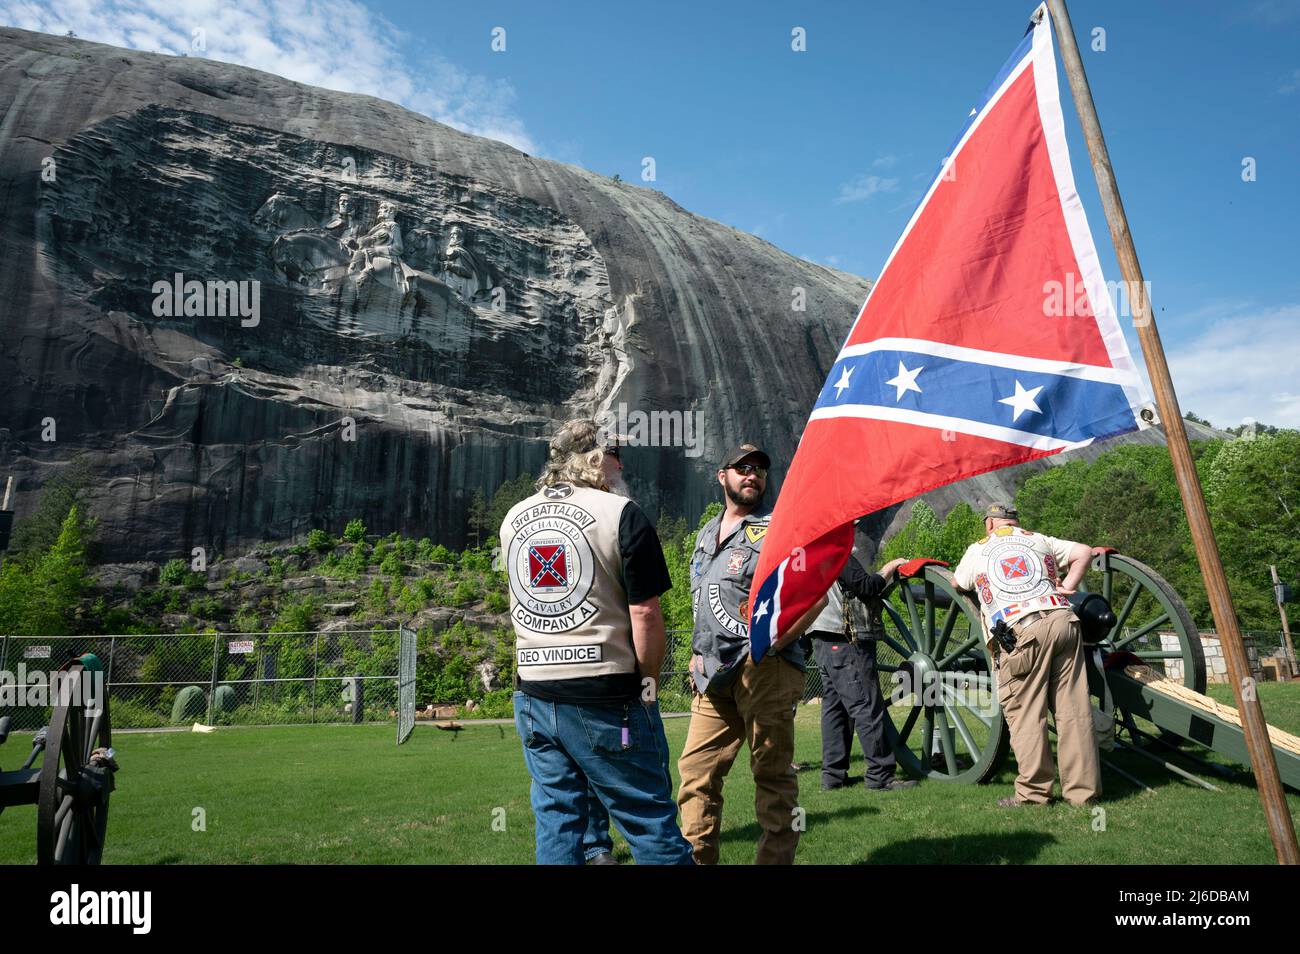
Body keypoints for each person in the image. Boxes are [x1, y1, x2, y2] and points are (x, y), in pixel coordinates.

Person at [502, 419, 694, 864]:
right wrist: (646, 687)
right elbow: (645, 613)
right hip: (608, 695)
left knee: (558, 821)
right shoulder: (621, 513)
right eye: (614, 454)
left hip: (533, 693)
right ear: (594, 459)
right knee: (647, 818)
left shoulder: (514, 517)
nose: (620, 464)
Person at [676, 442, 825, 865]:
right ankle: (697, 860)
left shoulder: (781, 527)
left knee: (772, 775)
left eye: (759, 468)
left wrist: (777, 641)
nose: (752, 475)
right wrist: (694, 652)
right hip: (710, 673)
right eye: (742, 468)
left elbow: (815, 591)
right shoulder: (707, 532)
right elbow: (700, 597)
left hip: (764, 669)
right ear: (722, 476)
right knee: (696, 776)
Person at [952, 503, 1101, 807]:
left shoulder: (979, 548)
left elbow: (957, 582)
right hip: (1064, 622)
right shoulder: (1040, 539)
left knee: (1026, 713)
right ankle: (1083, 795)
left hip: (1022, 631)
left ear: (990, 524)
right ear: (1017, 522)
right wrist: (1066, 587)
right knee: (1074, 712)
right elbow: (1084, 552)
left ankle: (1033, 795)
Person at [808, 550, 919, 792]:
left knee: (835, 711)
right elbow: (865, 586)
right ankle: (880, 776)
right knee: (867, 707)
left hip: (823, 640)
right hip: (848, 639)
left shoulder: (812, 555)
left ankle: (832, 777)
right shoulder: (836, 553)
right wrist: (889, 567)